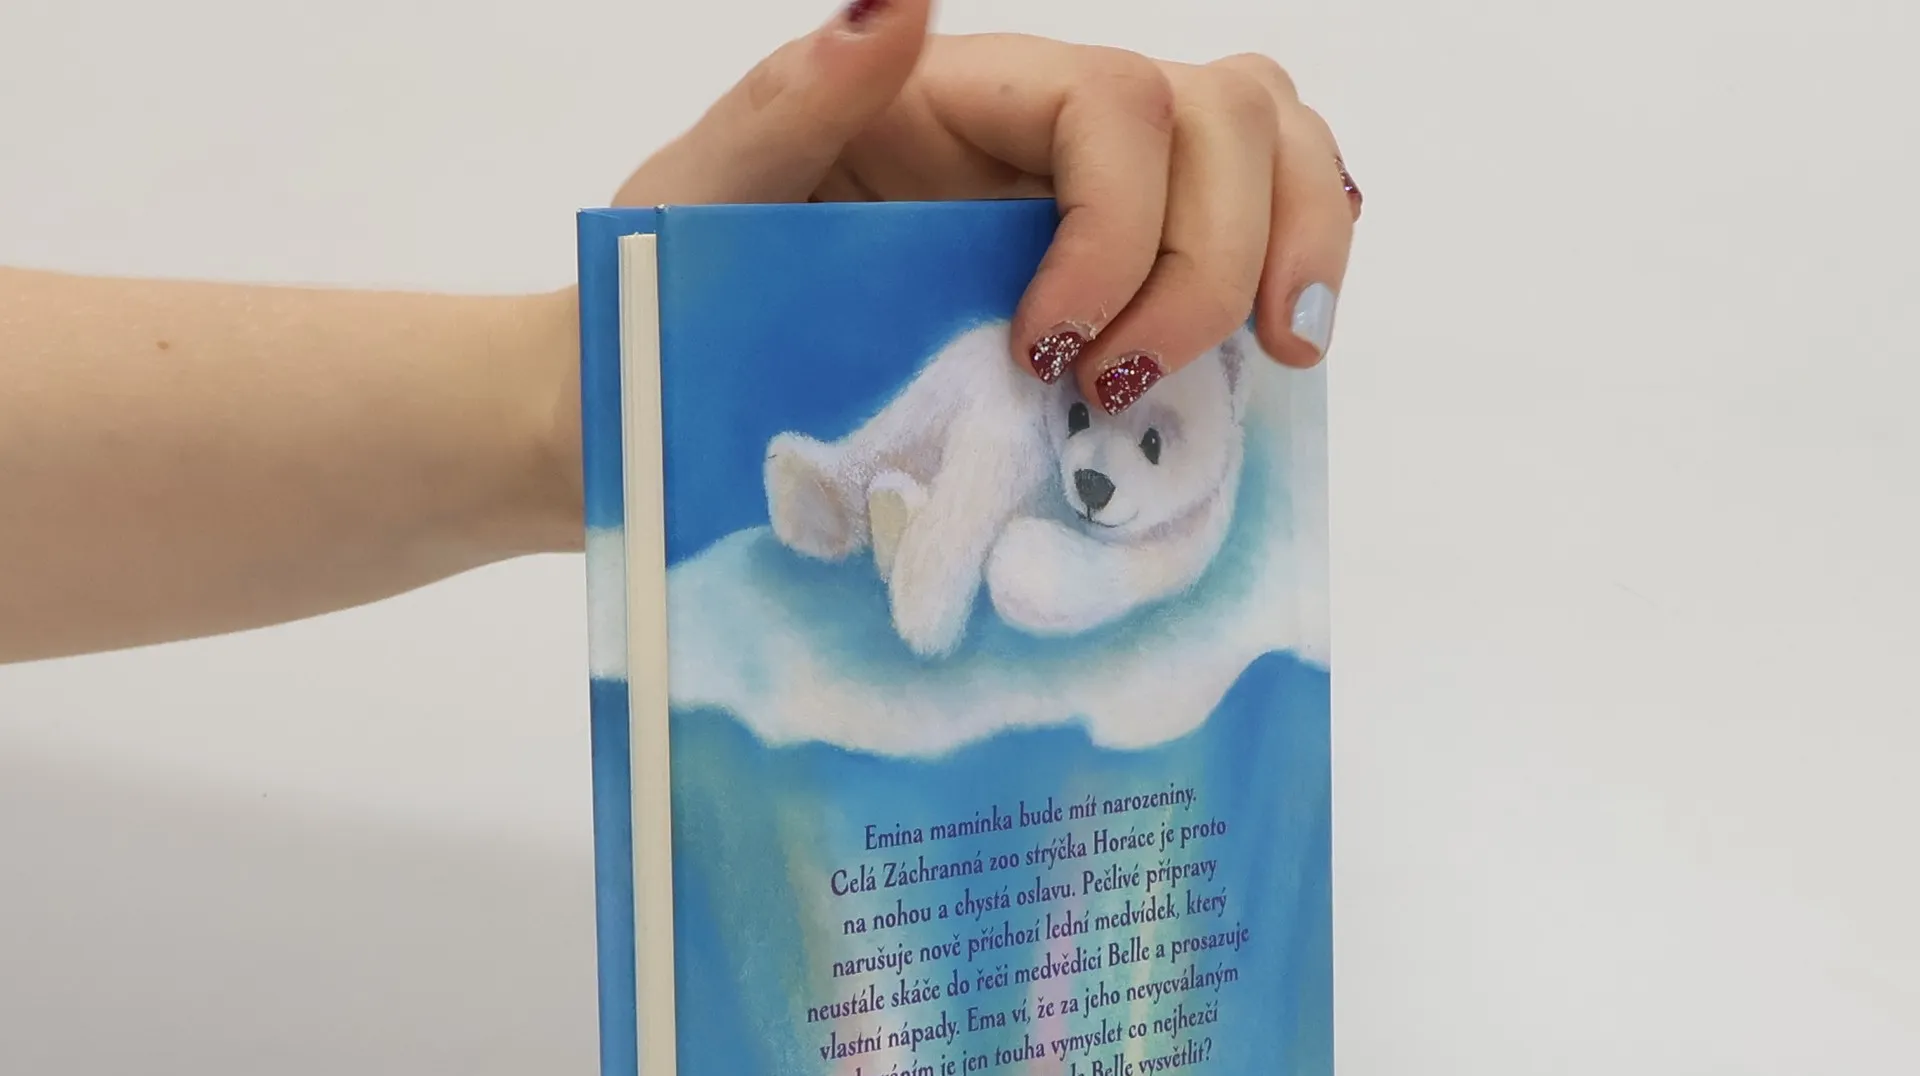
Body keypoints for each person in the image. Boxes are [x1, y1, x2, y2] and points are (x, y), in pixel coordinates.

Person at [0, 2, 1358, 667]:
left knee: (997, 430)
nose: (1106, 459)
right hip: (987, 422)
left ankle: (915, 550)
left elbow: (1133, 570)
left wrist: (584, 406)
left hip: (1023, 516)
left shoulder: (1203, 491)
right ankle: (853, 489)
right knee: (982, 393)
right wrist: (594, 398)